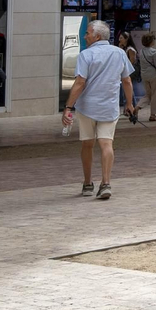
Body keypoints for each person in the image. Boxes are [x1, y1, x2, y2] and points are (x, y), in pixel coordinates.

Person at [62, 20, 133, 201]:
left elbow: (80, 82)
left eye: (87, 33)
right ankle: (106, 183)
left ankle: (87, 184)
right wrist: (129, 103)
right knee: (106, 144)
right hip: (109, 107)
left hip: (87, 107)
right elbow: (127, 81)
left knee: (87, 144)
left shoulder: (86, 55)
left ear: (97, 36)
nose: (85, 36)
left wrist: (68, 107)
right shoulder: (119, 53)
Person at [116, 31, 142, 122]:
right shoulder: (124, 49)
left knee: (128, 90)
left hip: (130, 72)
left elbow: (132, 62)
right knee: (126, 90)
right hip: (126, 72)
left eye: (121, 38)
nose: (119, 40)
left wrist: (125, 70)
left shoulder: (130, 49)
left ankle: (131, 108)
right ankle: (127, 109)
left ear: (126, 39)